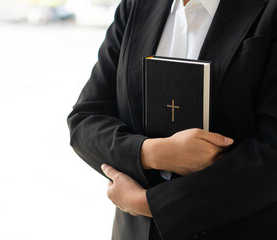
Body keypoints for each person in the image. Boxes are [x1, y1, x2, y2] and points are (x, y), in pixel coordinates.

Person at [67, 0, 277, 239]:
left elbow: (271, 153)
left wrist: (153, 205)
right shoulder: (135, 6)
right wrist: (152, 153)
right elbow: (85, 120)